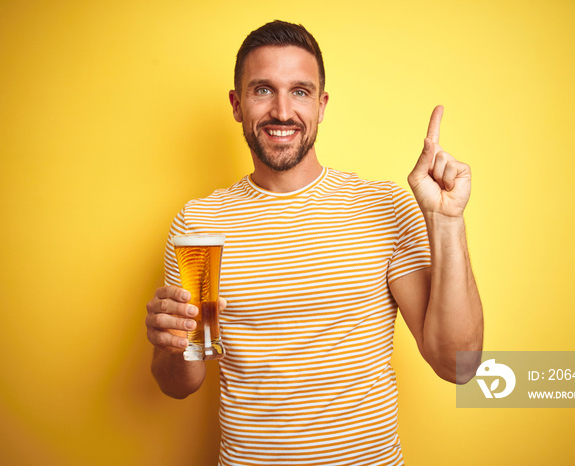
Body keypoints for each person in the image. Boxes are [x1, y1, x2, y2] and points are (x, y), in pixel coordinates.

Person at [146, 20, 483, 466]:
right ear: (236, 103)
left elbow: (458, 365)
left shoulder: (382, 208)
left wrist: (446, 222)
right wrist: (174, 345)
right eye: (262, 90)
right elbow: (179, 382)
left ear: (322, 105)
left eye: (300, 91)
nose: (282, 111)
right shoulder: (201, 223)